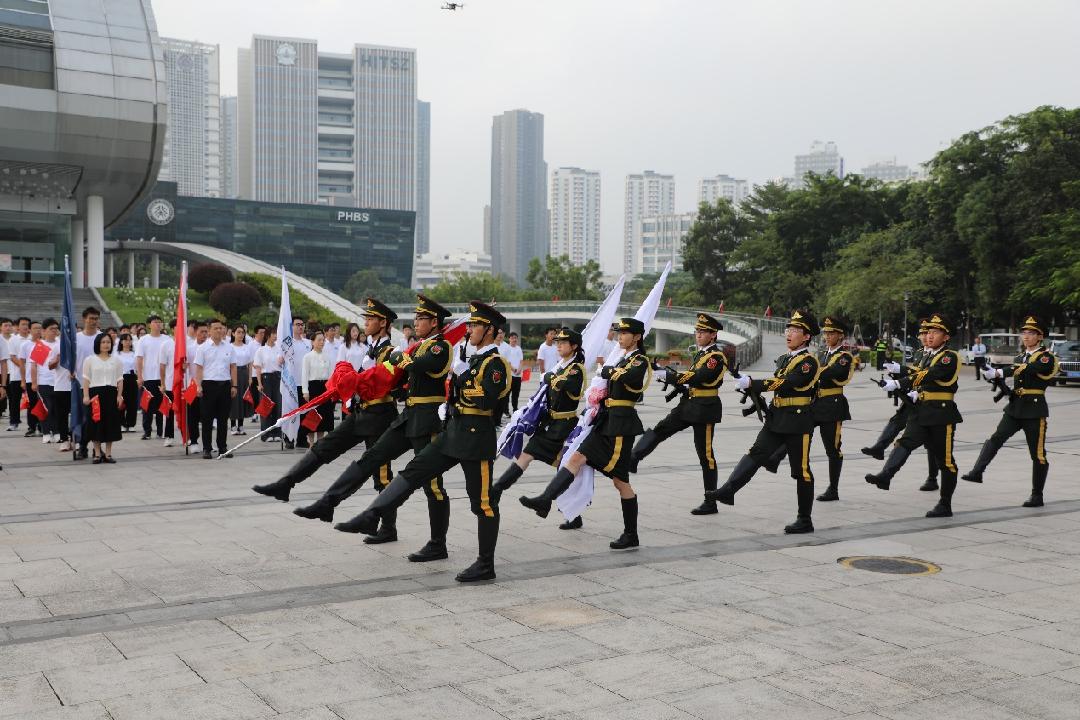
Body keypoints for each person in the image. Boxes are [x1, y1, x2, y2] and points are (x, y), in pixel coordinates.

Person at [334, 301, 510, 582]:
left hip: (477, 437)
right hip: (453, 431)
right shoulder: (472, 359)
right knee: (414, 471)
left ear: (490, 330)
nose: (471, 328)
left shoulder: (496, 364)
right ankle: (373, 515)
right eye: (472, 323)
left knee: (483, 502)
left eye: (476, 325)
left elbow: (487, 398)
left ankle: (485, 564)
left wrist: (462, 375)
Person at [287, 295, 453, 561]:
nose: (417, 321)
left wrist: (401, 359)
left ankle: (437, 543)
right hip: (409, 416)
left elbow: (420, 366)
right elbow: (403, 379)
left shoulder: (440, 347)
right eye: (417, 317)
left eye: (421, 318)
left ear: (434, 322)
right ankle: (330, 503)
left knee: (432, 484)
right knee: (373, 457)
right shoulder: (418, 346)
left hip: (427, 419)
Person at [520, 317, 652, 549]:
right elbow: (609, 377)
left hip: (621, 425)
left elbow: (623, 376)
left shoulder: (639, 360)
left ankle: (631, 534)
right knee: (576, 458)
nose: (620, 336)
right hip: (606, 421)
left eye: (624, 333)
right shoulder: (623, 358)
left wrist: (609, 371)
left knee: (621, 482)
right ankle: (545, 499)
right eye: (618, 333)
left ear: (637, 337)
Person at [705, 310, 822, 534]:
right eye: (788, 330)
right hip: (778, 417)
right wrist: (749, 385)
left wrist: (752, 382)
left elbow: (787, 382)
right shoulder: (788, 358)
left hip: (798, 420)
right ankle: (728, 490)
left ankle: (804, 519)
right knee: (756, 453)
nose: (789, 334)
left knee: (801, 470)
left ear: (806, 336)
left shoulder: (809, 362)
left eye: (795, 331)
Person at [629, 313, 728, 514]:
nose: (698, 335)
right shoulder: (701, 354)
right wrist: (666, 375)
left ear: (713, 334)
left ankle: (711, 501)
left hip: (705, 408)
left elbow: (700, 377)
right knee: (661, 428)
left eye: (703, 332)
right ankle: (634, 458)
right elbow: (692, 379)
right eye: (697, 331)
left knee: (705, 455)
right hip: (689, 403)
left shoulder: (716, 357)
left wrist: (673, 376)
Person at [865, 313, 962, 518]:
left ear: (945, 337)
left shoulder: (948, 357)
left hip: (941, 414)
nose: (930, 335)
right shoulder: (927, 355)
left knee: (946, 461)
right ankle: (885, 475)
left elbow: (928, 374)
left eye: (935, 332)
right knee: (904, 442)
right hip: (921, 410)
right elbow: (918, 375)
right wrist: (904, 378)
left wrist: (900, 383)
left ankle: (945, 504)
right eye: (929, 331)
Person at [490, 327, 586, 528]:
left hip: (565, 426)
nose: (558, 345)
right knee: (527, 455)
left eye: (563, 342)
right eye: (557, 341)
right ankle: (497, 490)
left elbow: (564, 385)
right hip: (550, 424)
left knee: (566, 469)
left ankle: (571, 514)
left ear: (574, 346)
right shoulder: (561, 365)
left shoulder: (576, 369)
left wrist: (550, 377)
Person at [963, 315, 1059, 507]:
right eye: (1024, 332)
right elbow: (1019, 369)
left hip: (1034, 409)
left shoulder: (1046, 357)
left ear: (1040, 336)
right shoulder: (1019, 357)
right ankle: (977, 471)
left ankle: (1037, 494)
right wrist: (994, 375)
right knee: (996, 438)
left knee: (1037, 453)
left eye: (1031, 333)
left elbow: (1028, 369)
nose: (1026, 336)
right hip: (1015, 407)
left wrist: (1000, 371)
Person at [761, 315, 856, 502]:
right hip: (815, 404)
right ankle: (775, 459)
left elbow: (831, 372)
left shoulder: (844, 356)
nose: (827, 336)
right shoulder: (820, 355)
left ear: (840, 336)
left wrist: (809, 370)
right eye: (826, 333)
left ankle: (833, 488)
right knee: (798, 431)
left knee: (832, 448)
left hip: (832, 405)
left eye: (832, 333)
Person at [862, 322, 941, 492]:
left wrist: (900, 378)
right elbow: (916, 374)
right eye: (923, 334)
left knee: (934, 446)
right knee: (899, 426)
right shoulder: (921, 353)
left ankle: (933, 478)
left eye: (930, 333)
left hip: (933, 407)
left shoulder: (940, 356)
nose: (926, 337)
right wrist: (898, 372)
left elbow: (924, 376)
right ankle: (881, 454)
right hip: (915, 401)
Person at [194, 318, 237, 459]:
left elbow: (233, 367)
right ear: (210, 330)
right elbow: (198, 368)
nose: (220, 330)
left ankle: (222, 447)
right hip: (208, 385)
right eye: (216, 328)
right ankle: (207, 448)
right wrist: (198, 385)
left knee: (223, 419)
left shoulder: (229, 347)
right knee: (207, 419)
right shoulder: (203, 348)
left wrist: (234, 385)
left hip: (224, 385)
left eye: (221, 328)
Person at [82, 333, 123, 464]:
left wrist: (119, 395)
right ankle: (97, 453)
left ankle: (109, 454)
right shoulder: (90, 360)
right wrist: (86, 395)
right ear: (98, 344)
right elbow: (86, 379)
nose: (106, 345)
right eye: (103, 342)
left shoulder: (116, 360)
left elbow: (119, 380)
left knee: (110, 422)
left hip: (111, 393)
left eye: (108, 342)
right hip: (95, 394)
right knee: (96, 423)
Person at [134, 315, 167, 440]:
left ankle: (160, 431)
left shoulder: (167, 339)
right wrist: (140, 376)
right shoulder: (144, 340)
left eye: (160, 322)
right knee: (146, 406)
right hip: (148, 378)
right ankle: (147, 431)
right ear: (149, 325)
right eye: (155, 322)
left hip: (162, 378)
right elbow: (139, 359)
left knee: (161, 406)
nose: (158, 324)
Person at [30, 318, 61, 444]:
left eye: (55, 329)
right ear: (44, 331)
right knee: (46, 408)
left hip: (59, 382)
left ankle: (58, 432)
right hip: (44, 381)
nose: (54, 331)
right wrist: (34, 382)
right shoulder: (42, 345)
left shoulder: (60, 343)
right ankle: (46, 432)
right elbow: (34, 366)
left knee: (57, 408)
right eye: (51, 329)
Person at [300, 330, 335, 442]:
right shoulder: (307, 357)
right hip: (313, 388)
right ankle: (311, 443)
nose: (322, 342)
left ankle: (320, 442)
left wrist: (331, 390)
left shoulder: (328, 356)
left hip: (325, 388)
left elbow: (331, 375)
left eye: (323, 340)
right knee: (312, 416)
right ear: (312, 342)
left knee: (324, 416)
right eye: (319, 340)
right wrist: (305, 391)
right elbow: (304, 375)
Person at [286, 317, 313, 449]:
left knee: (304, 412)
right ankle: (289, 438)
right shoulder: (287, 343)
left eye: (302, 325)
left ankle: (301, 438)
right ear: (291, 327)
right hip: (290, 383)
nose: (300, 327)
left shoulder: (307, 343)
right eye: (297, 325)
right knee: (290, 412)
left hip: (304, 382)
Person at [253, 328, 282, 441]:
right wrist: (259, 383)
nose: (275, 336)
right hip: (266, 378)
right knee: (266, 406)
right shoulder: (261, 350)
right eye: (274, 334)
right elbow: (258, 368)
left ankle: (277, 432)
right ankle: (266, 434)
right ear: (268, 335)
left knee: (277, 406)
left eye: (276, 334)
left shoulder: (279, 349)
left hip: (277, 378)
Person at [19, 320, 43, 437]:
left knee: (43, 403)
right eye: (35, 328)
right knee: (32, 403)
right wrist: (23, 380)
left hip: (44, 379)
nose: (38, 330)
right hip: (30, 379)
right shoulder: (25, 345)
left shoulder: (45, 344)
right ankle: (32, 427)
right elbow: (22, 364)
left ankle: (43, 426)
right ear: (29, 330)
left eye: (40, 328)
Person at [6, 316, 30, 433]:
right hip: (16, 376)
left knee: (32, 400)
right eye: (23, 324)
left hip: (31, 376)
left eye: (27, 324)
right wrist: (23, 367)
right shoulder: (13, 340)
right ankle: (14, 422)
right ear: (18, 326)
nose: (25, 326)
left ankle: (33, 424)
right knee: (14, 400)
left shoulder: (32, 339)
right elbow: (12, 357)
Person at [229, 325, 254, 436]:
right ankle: (233, 425)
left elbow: (250, 363)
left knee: (243, 398)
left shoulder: (247, 347)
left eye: (242, 332)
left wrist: (249, 377)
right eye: (238, 332)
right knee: (234, 399)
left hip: (244, 374)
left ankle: (241, 425)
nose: (241, 335)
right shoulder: (229, 347)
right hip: (233, 373)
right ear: (233, 333)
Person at [117, 333, 138, 432]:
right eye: (125, 340)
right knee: (121, 401)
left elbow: (137, 367)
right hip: (120, 378)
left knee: (132, 402)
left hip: (132, 377)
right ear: (121, 341)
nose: (127, 342)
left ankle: (131, 423)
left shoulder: (134, 353)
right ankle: (121, 423)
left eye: (129, 340)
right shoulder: (117, 354)